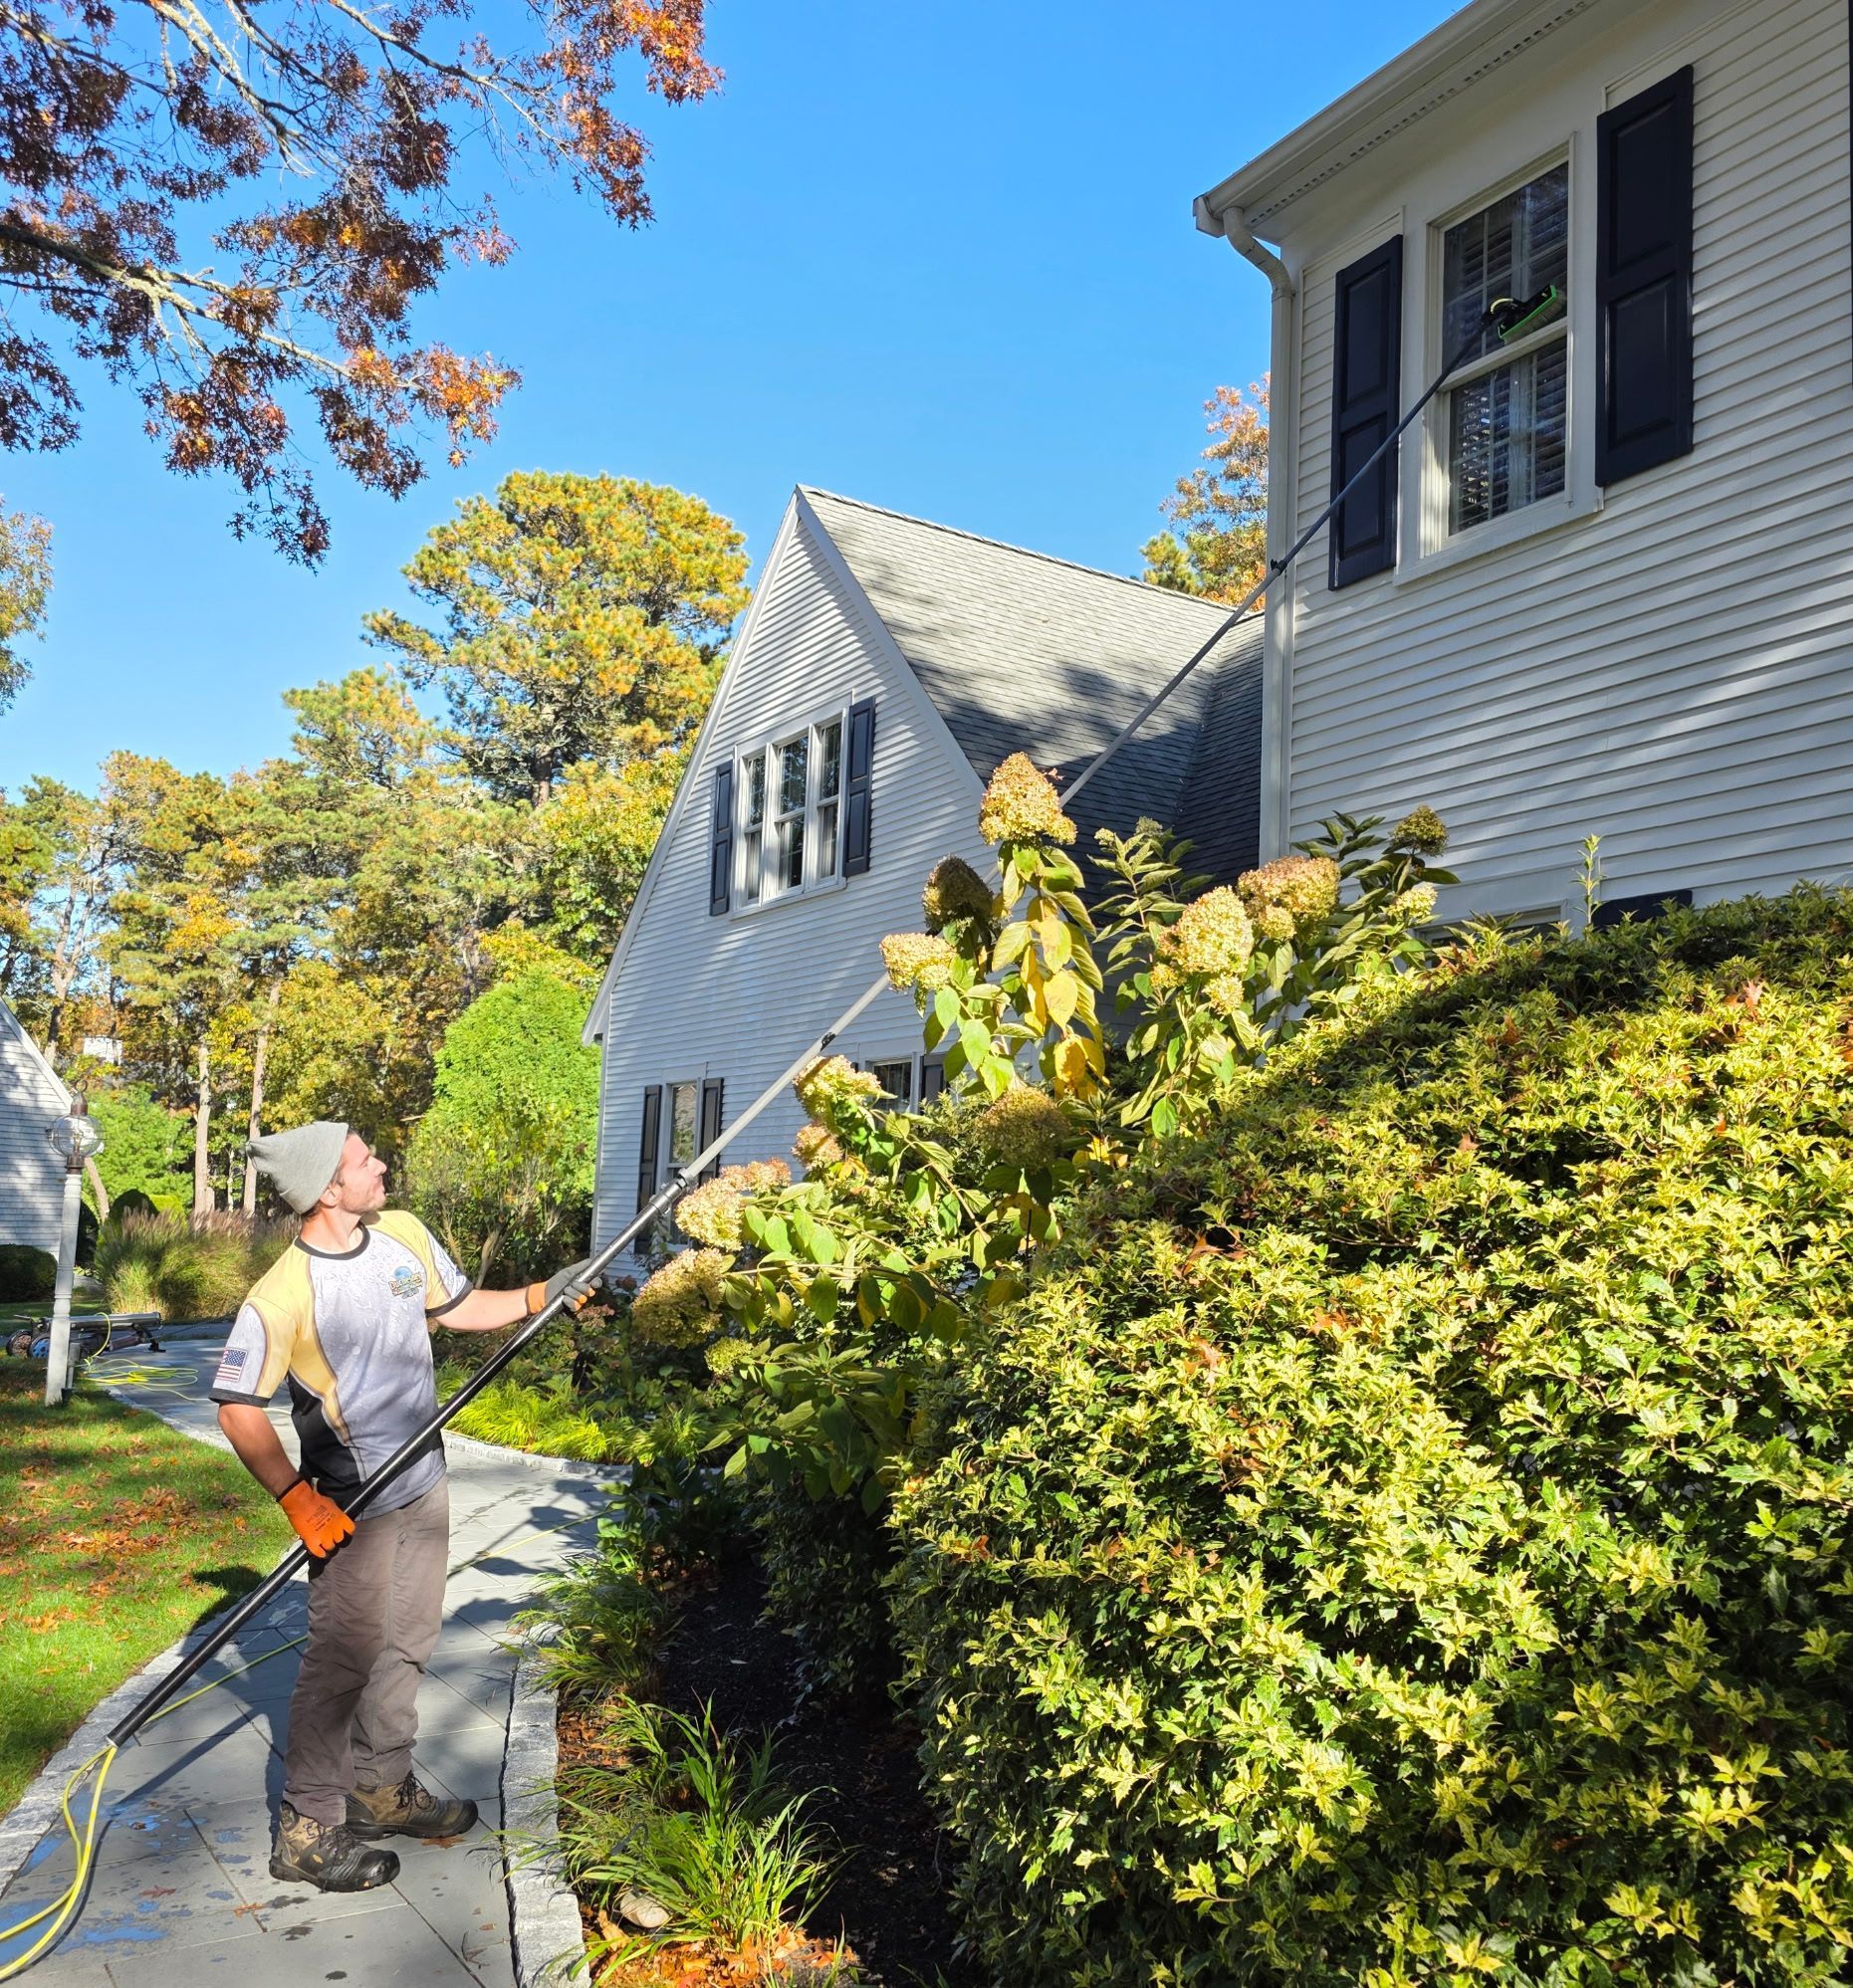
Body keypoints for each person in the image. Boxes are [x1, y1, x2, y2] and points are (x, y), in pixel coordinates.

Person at [211, 1118, 597, 1892]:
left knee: (410, 1639)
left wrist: (537, 1293)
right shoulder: (283, 1292)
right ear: (327, 1189)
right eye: (362, 1160)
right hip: (353, 1499)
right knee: (343, 1657)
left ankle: (380, 1787)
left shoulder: (402, 1234)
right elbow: (236, 1407)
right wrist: (296, 1500)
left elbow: (455, 1308)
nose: (380, 1163)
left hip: (425, 1475)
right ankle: (307, 1825)